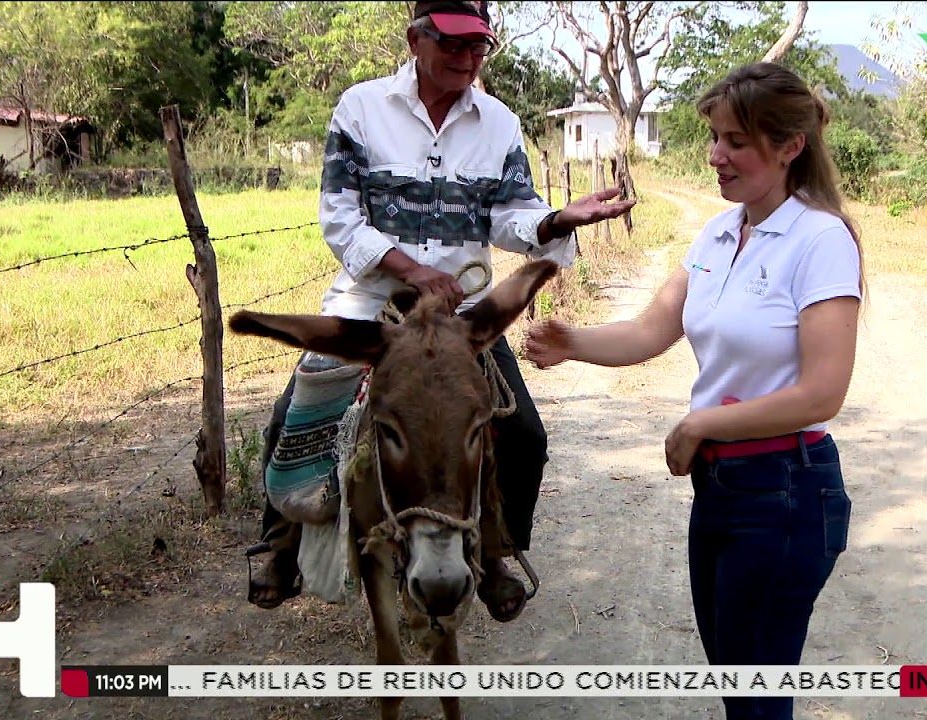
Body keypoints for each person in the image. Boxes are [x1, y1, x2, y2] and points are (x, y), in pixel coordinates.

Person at [247, 0, 636, 624]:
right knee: (291, 418)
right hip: (371, 304)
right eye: (450, 44)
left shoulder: (500, 123)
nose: (465, 58)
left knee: (524, 438)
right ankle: (280, 543)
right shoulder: (361, 109)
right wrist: (410, 270)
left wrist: (558, 218)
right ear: (414, 41)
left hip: (464, 316)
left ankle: (494, 553)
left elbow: (511, 216)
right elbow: (339, 218)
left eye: (476, 46)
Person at [525, 62, 863, 720]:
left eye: (736, 141)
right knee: (741, 692)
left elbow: (823, 393)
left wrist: (701, 424)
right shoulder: (717, 232)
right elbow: (654, 329)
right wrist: (574, 344)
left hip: (786, 493)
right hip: (722, 491)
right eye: (715, 138)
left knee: (756, 704)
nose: (716, 156)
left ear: (790, 146)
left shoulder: (820, 240)